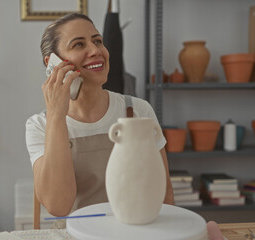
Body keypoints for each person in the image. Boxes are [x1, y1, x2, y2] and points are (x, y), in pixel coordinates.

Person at [25, 13, 174, 227]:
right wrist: (57, 114)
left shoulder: (138, 110)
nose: (96, 51)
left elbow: (164, 191)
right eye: (78, 44)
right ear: (52, 63)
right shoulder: (39, 126)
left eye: (97, 41)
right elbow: (58, 206)